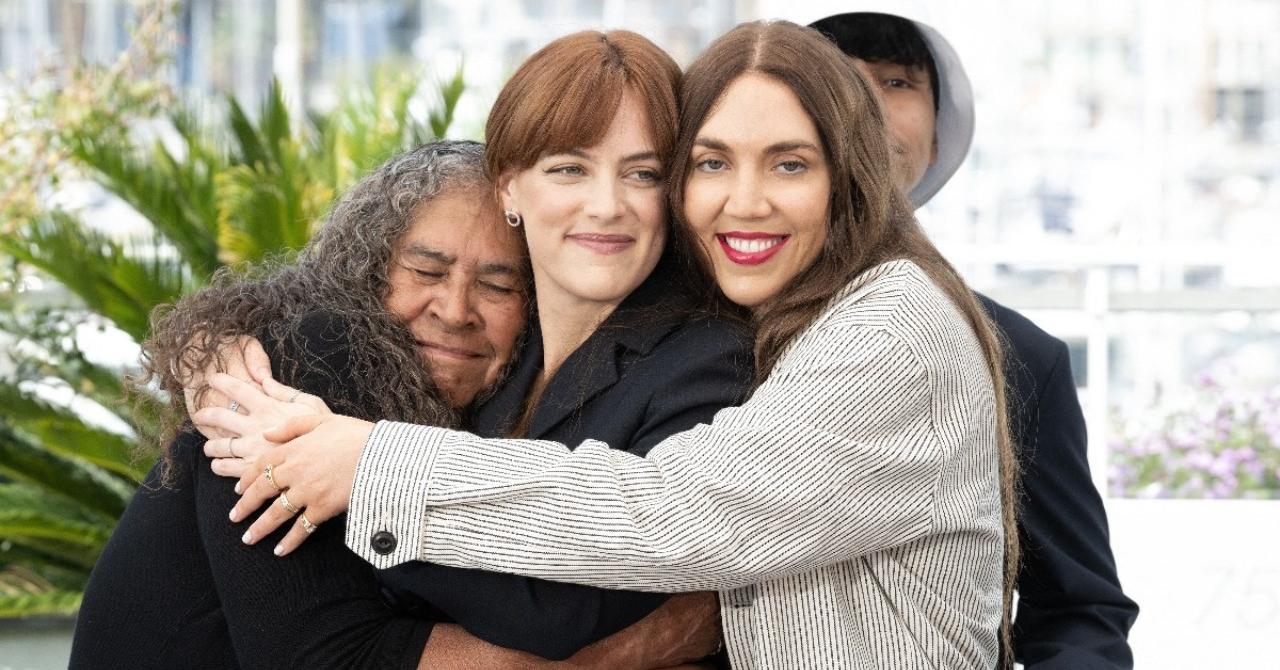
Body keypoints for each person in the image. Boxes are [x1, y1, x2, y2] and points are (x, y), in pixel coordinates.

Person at [202, 21, 1020, 669]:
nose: (745, 201)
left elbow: (679, 513)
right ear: (510, 184)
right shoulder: (504, 343)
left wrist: (368, 466)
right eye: (711, 162)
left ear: (849, 175)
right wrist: (207, 347)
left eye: (789, 164)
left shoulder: (888, 334)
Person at [71, 141, 716, 669]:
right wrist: (638, 646)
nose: (456, 310)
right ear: (366, 268)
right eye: (426, 272)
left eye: (498, 285)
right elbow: (324, 659)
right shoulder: (306, 360)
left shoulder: (477, 411)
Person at [808, 11, 1139, 668]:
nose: (866, 103)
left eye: (898, 82)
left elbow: (1077, 608)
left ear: (939, 139)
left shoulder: (1016, 357)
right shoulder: (710, 326)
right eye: (835, 80)